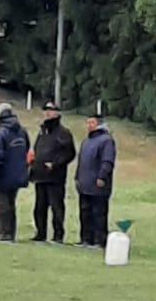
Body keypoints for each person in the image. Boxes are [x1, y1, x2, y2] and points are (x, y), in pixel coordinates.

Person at [29, 102, 76, 244]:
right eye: (46, 110)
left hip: (55, 177)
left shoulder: (64, 133)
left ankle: (58, 235)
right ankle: (40, 233)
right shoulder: (42, 132)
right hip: (40, 176)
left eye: (51, 110)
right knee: (39, 207)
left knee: (56, 207)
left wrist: (55, 164)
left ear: (58, 113)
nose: (48, 113)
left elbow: (70, 153)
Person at [0, 102, 31, 242]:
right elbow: (26, 148)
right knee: (11, 203)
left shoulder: (0, 133)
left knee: (2, 203)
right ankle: (11, 234)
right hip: (19, 174)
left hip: (3, 175)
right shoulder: (22, 131)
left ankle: (5, 234)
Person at [75, 115, 117, 249]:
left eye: (92, 122)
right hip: (84, 183)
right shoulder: (86, 141)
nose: (89, 125)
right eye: (88, 122)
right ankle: (86, 239)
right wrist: (77, 177)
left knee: (98, 213)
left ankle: (100, 240)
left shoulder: (107, 141)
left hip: (98, 184)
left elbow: (107, 161)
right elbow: (81, 161)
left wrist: (102, 176)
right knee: (84, 212)